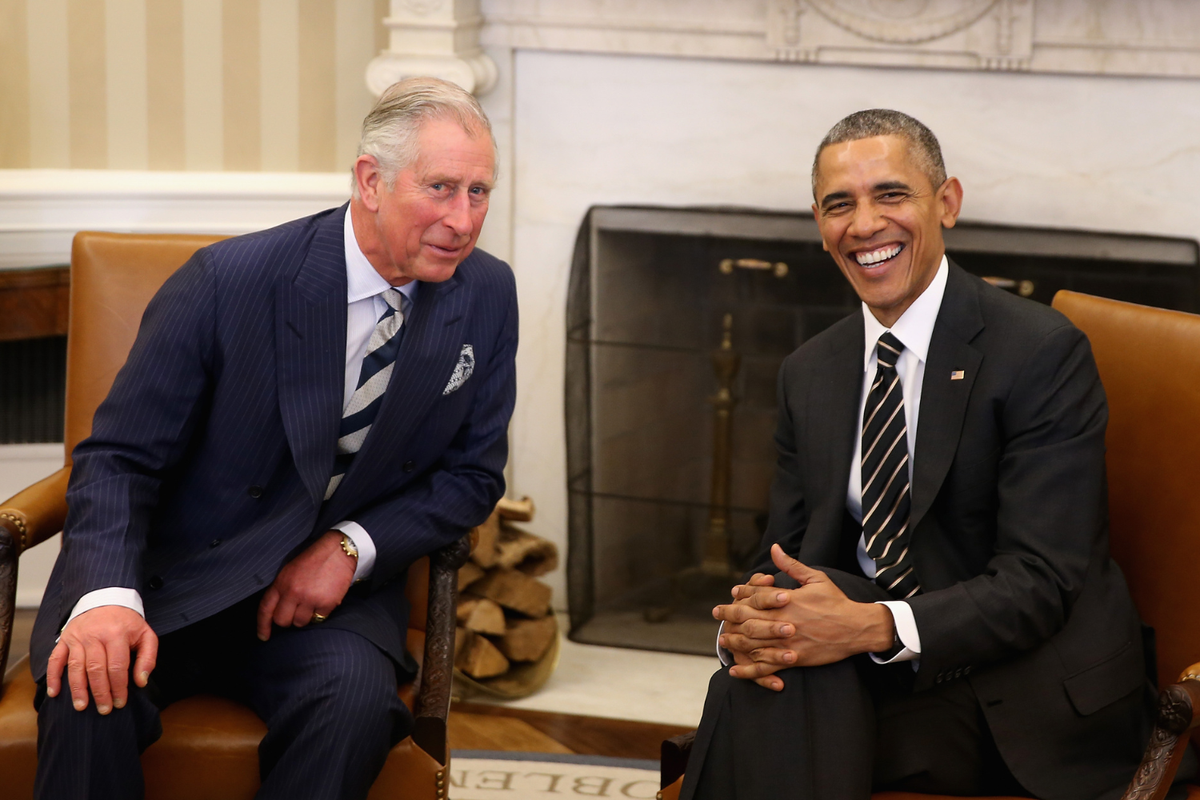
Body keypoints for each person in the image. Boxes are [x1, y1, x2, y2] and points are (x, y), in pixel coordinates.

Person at [30, 76, 517, 800]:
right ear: (370, 181)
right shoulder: (228, 282)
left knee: (352, 706)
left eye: (479, 192)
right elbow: (119, 460)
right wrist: (104, 597)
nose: (463, 219)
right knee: (87, 686)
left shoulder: (485, 293)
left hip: (324, 612)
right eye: (441, 188)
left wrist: (351, 547)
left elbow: (472, 476)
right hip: (173, 577)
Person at [681, 109, 1185, 800]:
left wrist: (865, 625)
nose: (863, 226)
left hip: (1017, 687)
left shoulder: (1040, 352)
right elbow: (784, 554)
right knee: (778, 670)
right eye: (839, 205)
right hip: (868, 669)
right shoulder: (810, 371)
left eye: (890, 195)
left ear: (946, 202)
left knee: (773, 703)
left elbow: (1042, 581)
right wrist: (749, 626)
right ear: (819, 225)